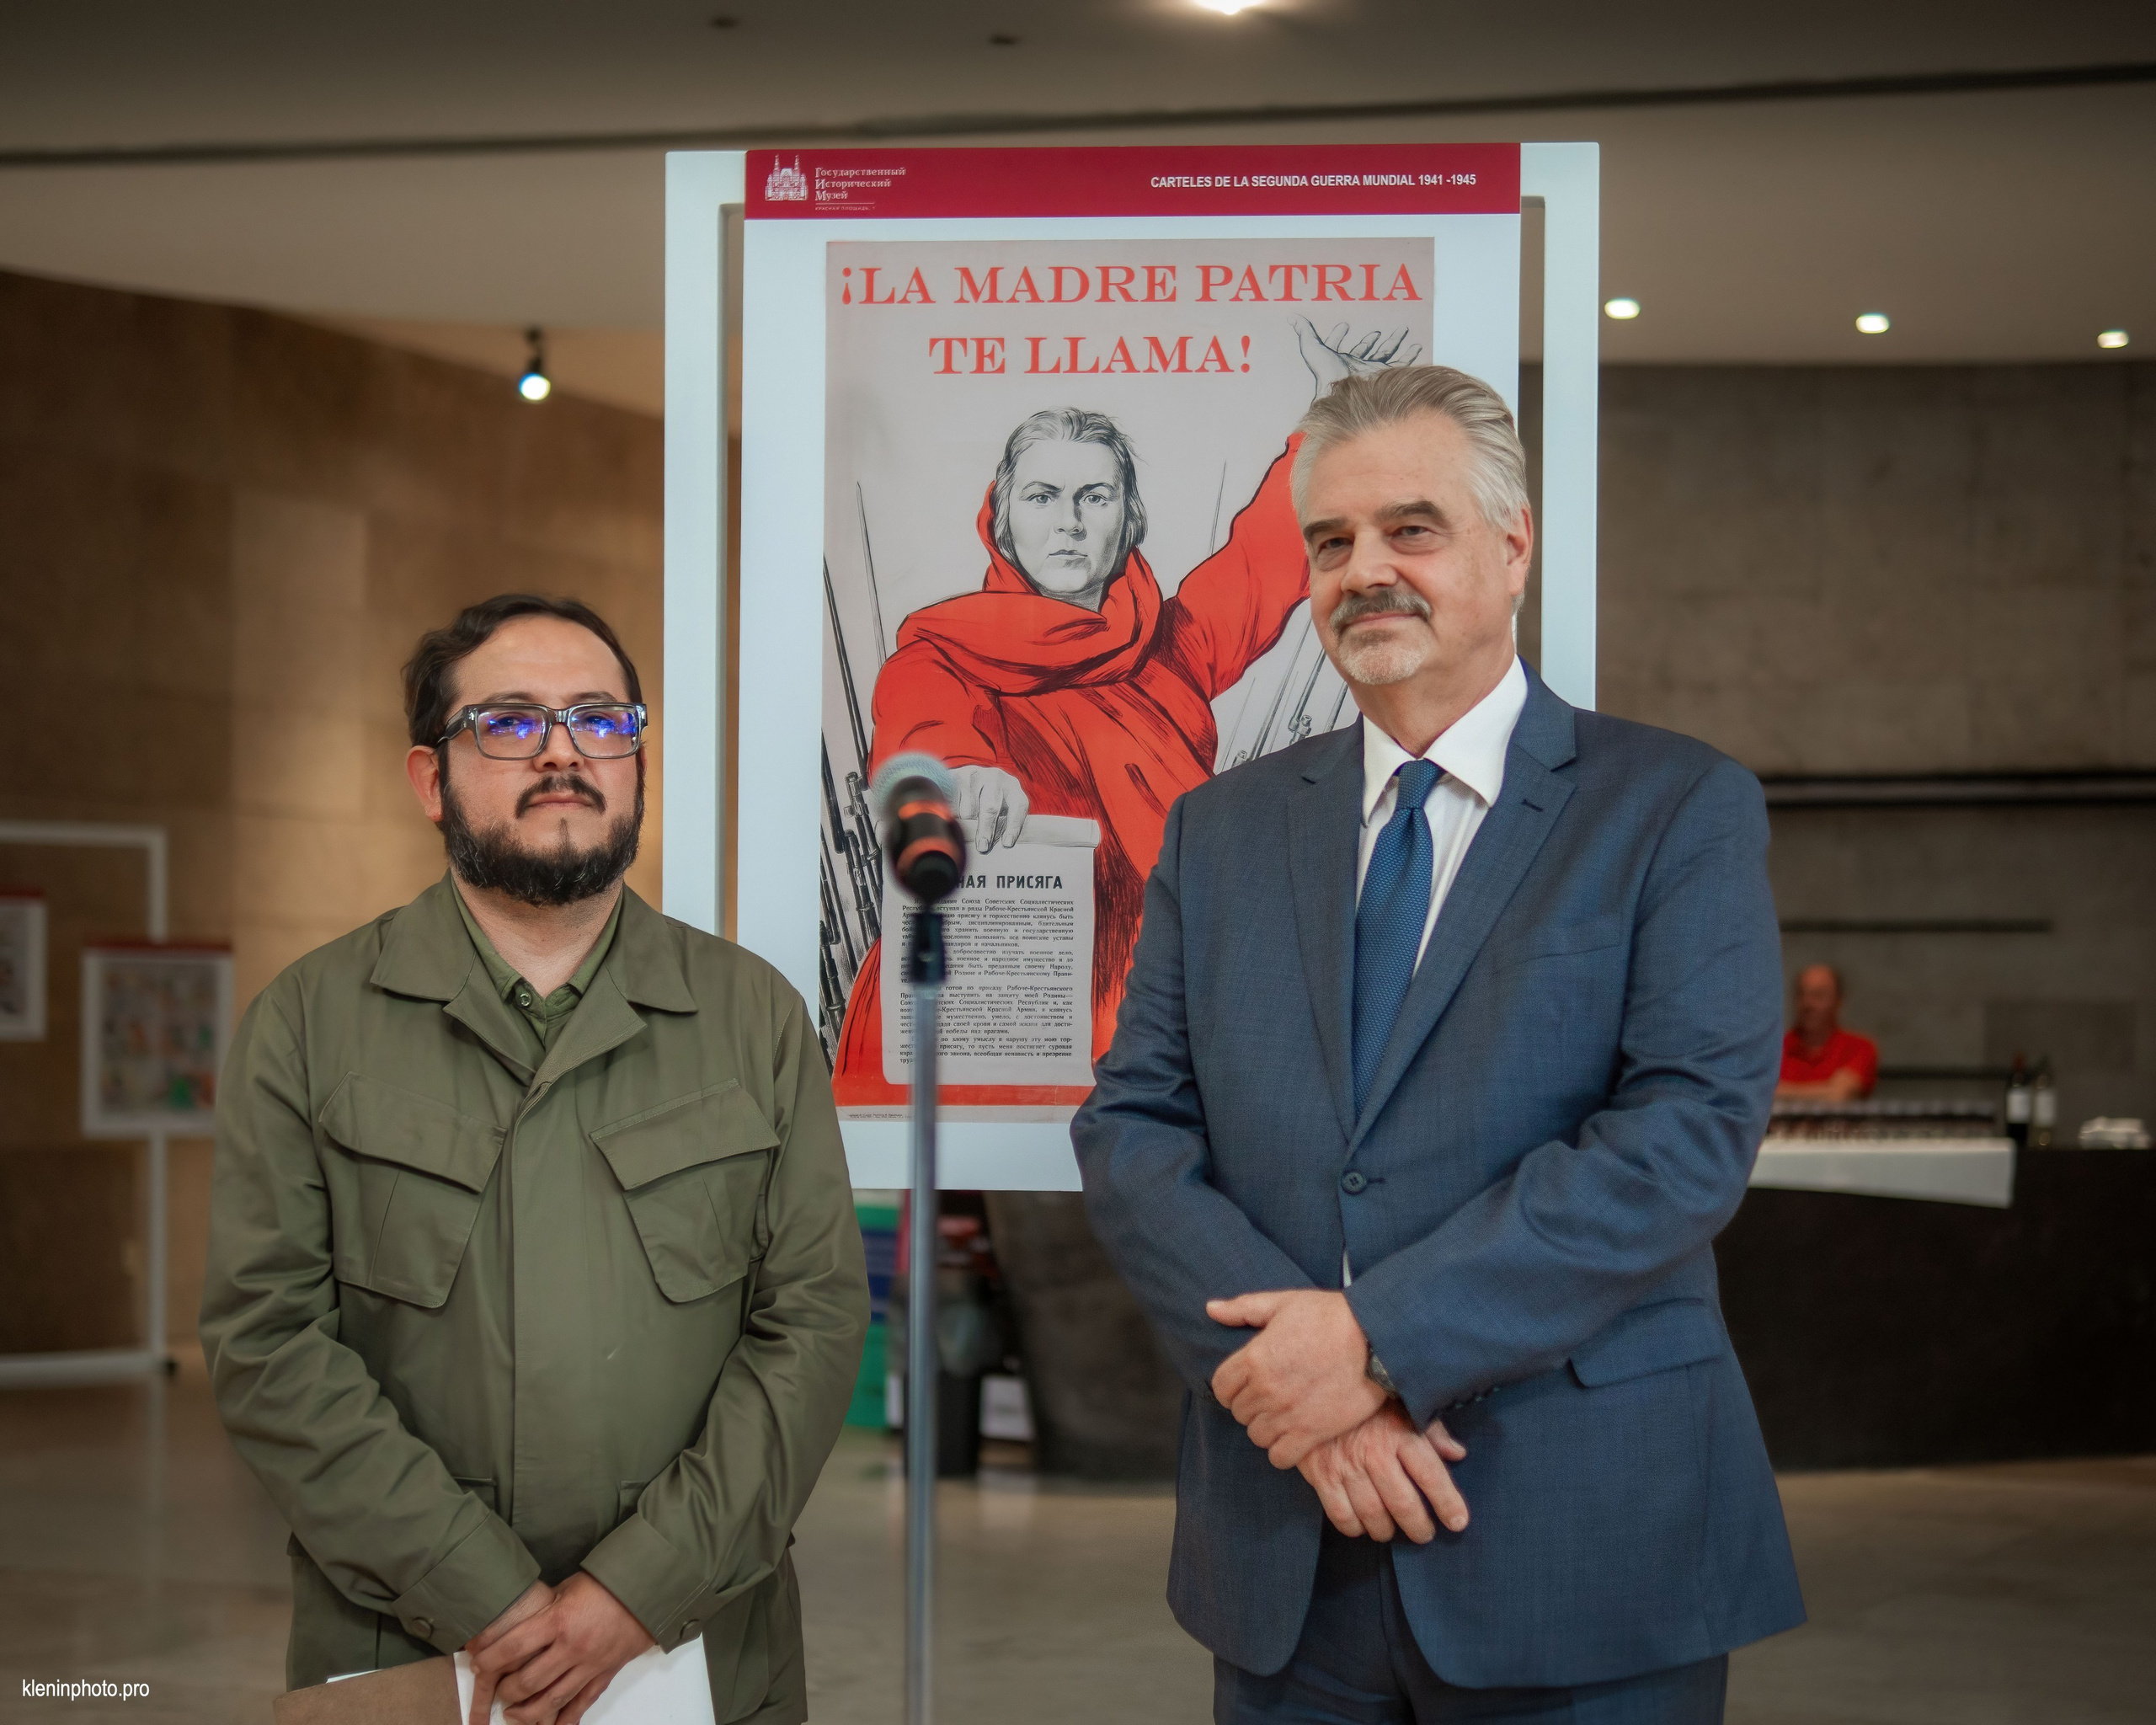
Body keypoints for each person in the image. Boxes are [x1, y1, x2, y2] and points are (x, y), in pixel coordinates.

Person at [1075, 367, 1803, 1722]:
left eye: (1413, 529)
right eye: (1332, 541)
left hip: (1582, 1537)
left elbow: (1684, 1141)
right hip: (1289, 1537)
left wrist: (1372, 1343)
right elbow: (1131, 1131)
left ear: (1511, 546)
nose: (1367, 571)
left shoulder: (1673, 808)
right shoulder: (1221, 832)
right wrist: (1310, 1388)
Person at [200, 595, 867, 1725]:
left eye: (602, 721)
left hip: (695, 1646)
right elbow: (267, 1344)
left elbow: (812, 1324)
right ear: (429, 779)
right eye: (509, 724)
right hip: (404, 1646)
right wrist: (485, 1595)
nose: (564, 753)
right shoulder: (309, 1025)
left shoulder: (751, 1019)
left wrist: (634, 1589)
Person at [832, 323, 1417, 1104]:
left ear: (1128, 518)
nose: (1069, 521)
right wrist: (965, 783)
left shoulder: (1169, 648)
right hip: (1000, 1002)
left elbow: (1265, 552)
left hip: (1157, 1008)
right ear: (1002, 519)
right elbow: (923, 737)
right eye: (1042, 496)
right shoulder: (939, 655)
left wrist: (1332, 407)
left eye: (1094, 497)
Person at [1775, 964, 1879, 1100]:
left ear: (1838, 1001)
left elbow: (1839, 1096)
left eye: (1818, 995)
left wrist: (1781, 1092)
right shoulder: (1775, 1049)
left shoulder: (1860, 1048)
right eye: (1802, 994)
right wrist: (1826, 1091)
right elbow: (1759, 1097)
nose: (1808, 1003)